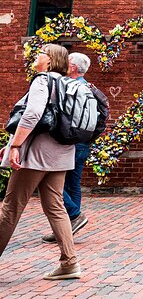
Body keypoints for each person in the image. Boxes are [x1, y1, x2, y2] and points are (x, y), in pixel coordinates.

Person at [0, 44, 81, 280]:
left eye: (41, 53)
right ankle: (69, 263)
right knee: (56, 207)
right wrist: (16, 141)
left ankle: (70, 263)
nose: (37, 56)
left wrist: (16, 145)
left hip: (37, 156)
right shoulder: (70, 84)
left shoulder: (42, 80)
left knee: (11, 207)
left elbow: (34, 114)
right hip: (62, 153)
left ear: (50, 60)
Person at [41, 52, 91, 243]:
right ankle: (67, 227)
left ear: (73, 67)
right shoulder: (88, 87)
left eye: (67, 62)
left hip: (70, 141)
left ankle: (73, 215)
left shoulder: (70, 87)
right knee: (72, 184)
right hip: (83, 141)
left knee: (50, 182)